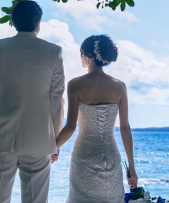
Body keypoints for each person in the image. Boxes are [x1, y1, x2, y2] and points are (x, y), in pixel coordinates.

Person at [0, 0, 65, 203]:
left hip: (2, 137)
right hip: (40, 139)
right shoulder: (53, 52)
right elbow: (57, 100)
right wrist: (55, 140)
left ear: (13, 22)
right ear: (38, 23)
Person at [56, 34, 138, 203]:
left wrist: (53, 146)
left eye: (81, 53)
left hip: (84, 155)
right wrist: (132, 167)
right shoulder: (120, 86)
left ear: (88, 56)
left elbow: (70, 127)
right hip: (111, 155)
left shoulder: (75, 85)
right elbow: (125, 129)